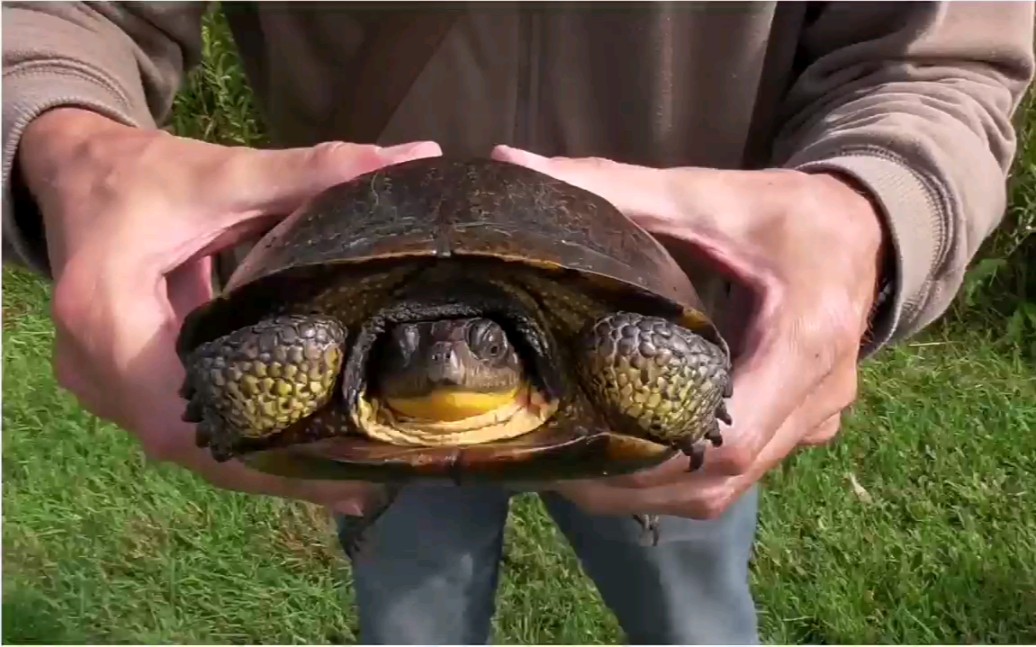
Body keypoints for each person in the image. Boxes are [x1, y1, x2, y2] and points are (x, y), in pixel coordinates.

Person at [3, 1, 1033, 643]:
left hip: (637, 314)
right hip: (371, 330)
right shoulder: (345, 351)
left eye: (476, 342)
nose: (446, 355)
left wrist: (868, 205)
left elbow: (932, 52)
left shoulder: (623, 357)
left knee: (695, 618)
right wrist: (65, 136)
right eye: (421, 344)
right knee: (415, 624)